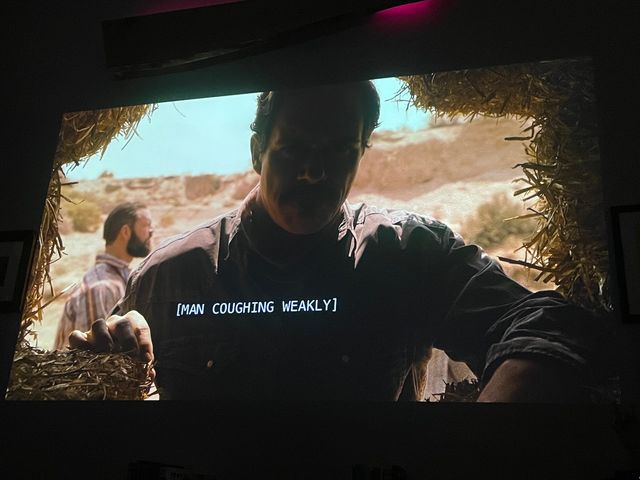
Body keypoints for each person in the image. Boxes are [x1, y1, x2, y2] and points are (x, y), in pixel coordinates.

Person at [69, 81, 609, 401]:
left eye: (336, 152)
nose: (311, 173)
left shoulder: (408, 253)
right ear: (258, 152)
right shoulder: (170, 275)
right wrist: (107, 362)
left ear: (361, 153)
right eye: (293, 150)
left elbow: (546, 320)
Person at [54, 202, 153, 350]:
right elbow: (96, 362)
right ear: (126, 232)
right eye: (146, 225)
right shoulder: (101, 289)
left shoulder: (122, 278)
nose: (151, 232)